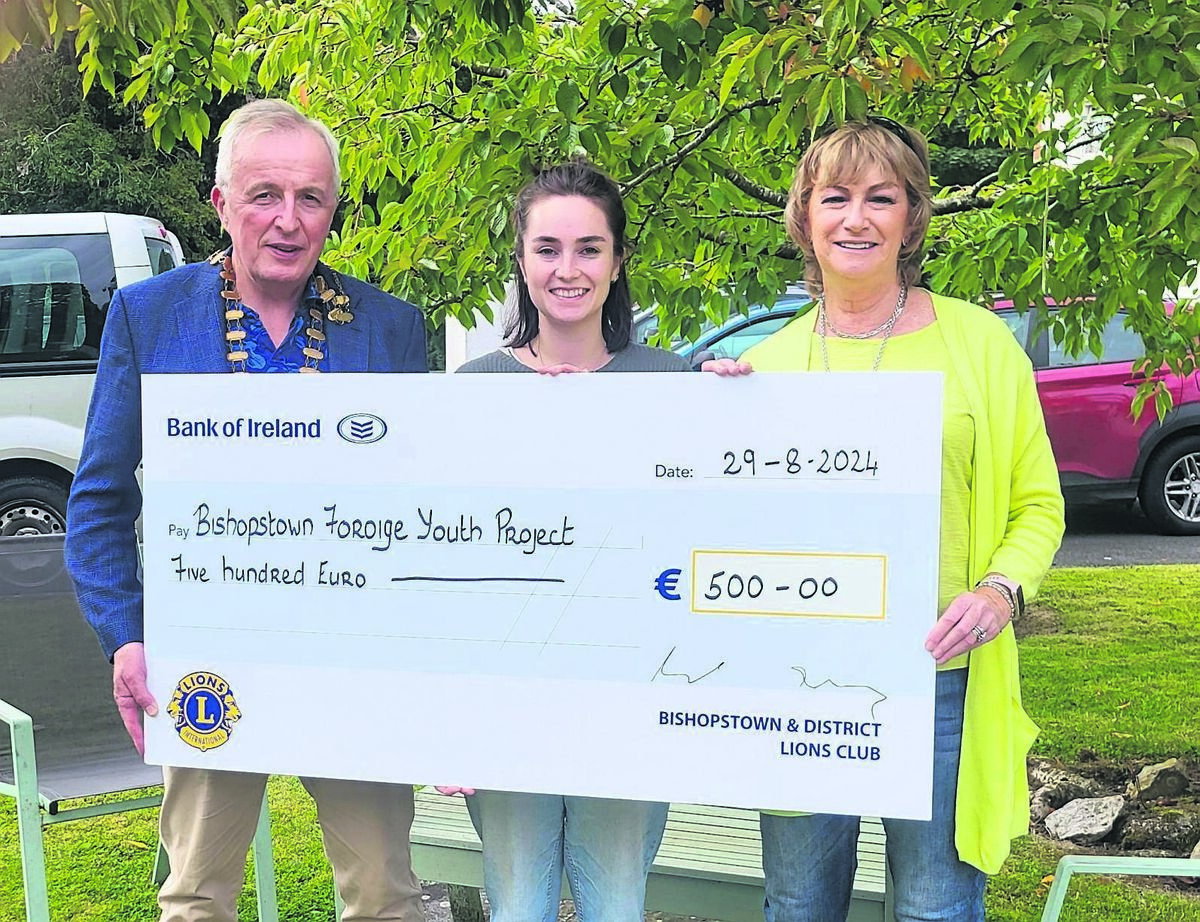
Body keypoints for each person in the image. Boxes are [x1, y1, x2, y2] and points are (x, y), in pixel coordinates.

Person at [64, 98, 428, 922]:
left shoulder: (390, 329)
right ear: (222, 203)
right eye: (264, 194)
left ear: (335, 209)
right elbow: (98, 501)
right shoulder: (149, 317)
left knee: (386, 894)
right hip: (206, 656)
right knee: (196, 896)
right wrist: (126, 634)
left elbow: (425, 504)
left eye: (312, 198)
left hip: (351, 659)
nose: (289, 220)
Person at [708, 118, 1065, 921]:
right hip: (803, 686)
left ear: (911, 217)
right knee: (799, 904)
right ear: (804, 216)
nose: (856, 218)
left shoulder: (979, 344)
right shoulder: (764, 367)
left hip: (941, 678)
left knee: (936, 910)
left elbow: (1038, 503)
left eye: (881, 198)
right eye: (835, 198)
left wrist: (1001, 591)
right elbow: (728, 532)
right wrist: (715, 429)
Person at [446, 160, 690, 921]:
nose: (568, 269)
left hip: (630, 702)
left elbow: (707, 546)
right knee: (517, 905)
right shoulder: (471, 393)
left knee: (615, 904)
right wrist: (444, 719)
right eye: (547, 248)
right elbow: (439, 570)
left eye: (590, 248)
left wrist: (744, 413)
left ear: (618, 263)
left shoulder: (676, 388)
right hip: (506, 704)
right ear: (519, 260)